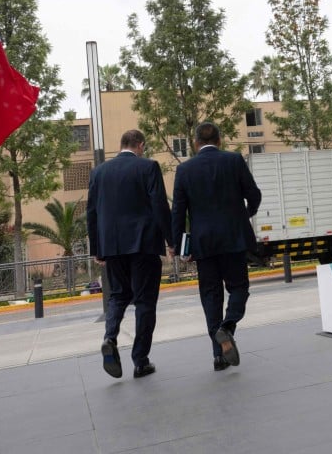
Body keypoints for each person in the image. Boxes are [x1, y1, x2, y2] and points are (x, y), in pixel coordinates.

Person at [171, 121, 261, 372]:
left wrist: (180, 246)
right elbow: (254, 194)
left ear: (195, 142)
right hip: (234, 239)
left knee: (211, 297)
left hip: (203, 244)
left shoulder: (185, 170)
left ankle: (219, 356)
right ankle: (228, 326)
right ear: (219, 140)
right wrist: (246, 213)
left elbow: (177, 212)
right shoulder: (234, 161)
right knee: (239, 288)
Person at [87, 129, 172, 379]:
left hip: (112, 247)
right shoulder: (148, 167)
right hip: (143, 245)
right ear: (140, 145)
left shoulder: (99, 172)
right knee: (145, 302)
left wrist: (97, 248)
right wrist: (172, 240)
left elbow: (92, 213)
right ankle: (140, 360)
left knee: (118, 295)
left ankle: (110, 337)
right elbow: (159, 205)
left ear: (121, 144)